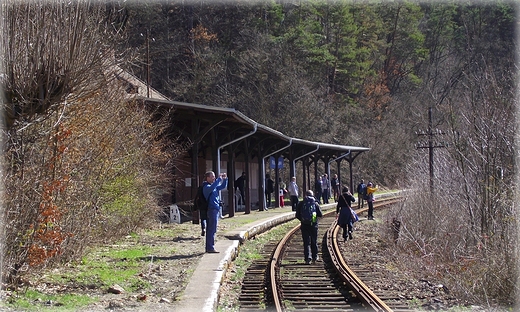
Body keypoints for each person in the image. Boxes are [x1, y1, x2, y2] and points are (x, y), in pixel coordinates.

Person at [202, 171, 228, 253]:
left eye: (214, 176)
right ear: (208, 178)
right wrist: (218, 180)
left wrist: (225, 179)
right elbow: (213, 187)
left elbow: (222, 186)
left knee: (212, 229)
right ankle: (210, 247)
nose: (214, 178)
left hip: (215, 210)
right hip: (211, 210)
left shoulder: (214, 187)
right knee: (211, 229)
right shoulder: (206, 187)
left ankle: (209, 247)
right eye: (212, 177)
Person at [295, 190, 323, 265]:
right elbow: (320, 214)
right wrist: (313, 218)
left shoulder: (301, 203)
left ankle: (308, 258)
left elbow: (297, 215)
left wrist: (303, 220)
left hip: (304, 225)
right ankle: (315, 256)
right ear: (312, 195)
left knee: (306, 242)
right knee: (314, 241)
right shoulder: (315, 203)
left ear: (305, 195)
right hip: (314, 225)